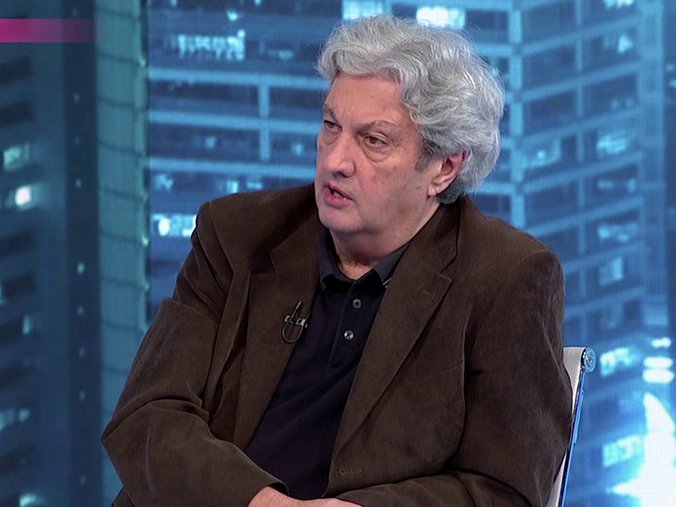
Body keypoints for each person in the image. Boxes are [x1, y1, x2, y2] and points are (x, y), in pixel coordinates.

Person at [103, 14, 572, 507]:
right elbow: (148, 415)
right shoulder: (237, 236)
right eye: (331, 126)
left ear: (444, 167)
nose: (334, 161)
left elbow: (504, 490)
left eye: (373, 140)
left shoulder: (505, 278)